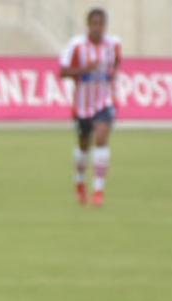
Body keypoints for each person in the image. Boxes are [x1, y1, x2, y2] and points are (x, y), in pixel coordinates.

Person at [58, 7, 121, 207]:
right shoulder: (76, 46)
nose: (97, 28)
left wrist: (110, 78)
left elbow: (117, 64)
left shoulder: (113, 45)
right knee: (84, 146)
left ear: (105, 26)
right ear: (88, 25)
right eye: (94, 24)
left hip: (105, 101)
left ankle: (99, 190)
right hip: (83, 105)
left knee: (101, 138)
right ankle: (80, 182)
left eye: (101, 24)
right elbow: (63, 72)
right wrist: (86, 69)